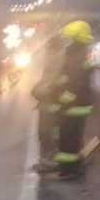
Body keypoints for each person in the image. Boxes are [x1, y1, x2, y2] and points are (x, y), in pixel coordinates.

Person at [50, 21, 95, 178]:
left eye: (71, 38)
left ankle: (70, 170)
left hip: (75, 104)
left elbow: (76, 80)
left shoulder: (79, 54)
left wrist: (63, 97)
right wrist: (56, 89)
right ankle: (66, 166)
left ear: (77, 38)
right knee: (68, 138)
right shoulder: (77, 52)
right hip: (73, 104)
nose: (68, 40)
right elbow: (66, 76)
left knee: (70, 140)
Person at [31, 36, 66, 172]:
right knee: (45, 135)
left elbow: (53, 84)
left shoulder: (57, 61)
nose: (46, 51)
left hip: (51, 106)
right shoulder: (53, 60)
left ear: (53, 48)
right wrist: (36, 89)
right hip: (47, 105)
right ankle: (46, 162)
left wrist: (39, 91)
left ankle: (50, 164)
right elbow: (45, 80)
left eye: (48, 48)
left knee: (47, 135)